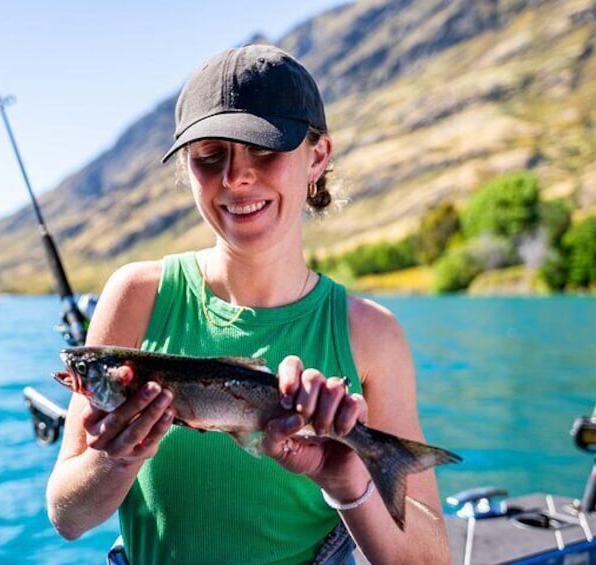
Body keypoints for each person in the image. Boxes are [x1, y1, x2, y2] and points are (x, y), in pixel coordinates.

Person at [46, 43, 451, 564]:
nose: (236, 177)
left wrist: (350, 480)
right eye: (210, 157)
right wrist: (117, 460)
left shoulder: (371, 334)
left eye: (264, 150)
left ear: (318, 157)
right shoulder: (136, 295)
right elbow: (67, 516)